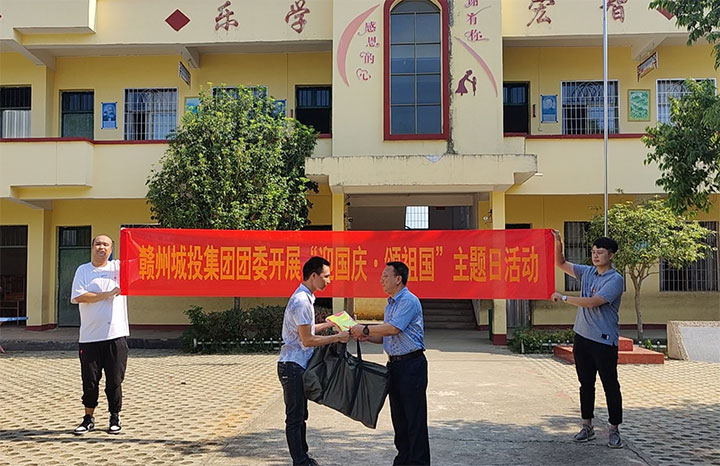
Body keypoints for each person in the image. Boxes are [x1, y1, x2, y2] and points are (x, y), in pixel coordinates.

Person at [350, 261, 430, 465]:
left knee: (414, 419)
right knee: (399, 419)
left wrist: (365, 328)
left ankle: (418, 462)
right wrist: (367, 336)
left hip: (411, 366)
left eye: (386, 276)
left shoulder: (409, 301)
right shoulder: (390, 304)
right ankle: (403, 459)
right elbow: (387, 335)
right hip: (394, 366)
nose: (381, 280)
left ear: (398, 279)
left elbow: (394, 328)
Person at [550, 230, 625, 449]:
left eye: (600, 252)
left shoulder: (615, 280)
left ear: (611, 255)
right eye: (593, 252)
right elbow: (560, 263)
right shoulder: (587, 272)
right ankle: (587, 426)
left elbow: (593, 302)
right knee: (586, 384)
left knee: (610, 385)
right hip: (582, 337)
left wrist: (564, 297)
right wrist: (558, 242)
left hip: (604, 341)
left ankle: (614, 430)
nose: (595, 255)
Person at [278, 256, 350, 466]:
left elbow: (306, 330)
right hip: (292, 366)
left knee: (301, 415)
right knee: (295, 417)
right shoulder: (302, 301)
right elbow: (307, 340)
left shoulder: (305, 297)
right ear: (313, 276)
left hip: (296, 365)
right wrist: (337, 337)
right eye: (326, 276)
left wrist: (329, 324)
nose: (328, 280)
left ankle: (303, 458)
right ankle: (300, 461)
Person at [70, 235, 129, 435]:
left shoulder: (119, 268)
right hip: (90, 337)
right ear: (92, 247)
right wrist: (107, 294)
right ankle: (88, 418)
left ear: (111, 249)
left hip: (115, 334)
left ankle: (114, 417)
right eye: (98, 244)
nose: (101, 247)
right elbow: (79, 296)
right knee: (90, 381)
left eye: (106, 244)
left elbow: (147, 265)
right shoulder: (83, 270)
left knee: (114, 380)